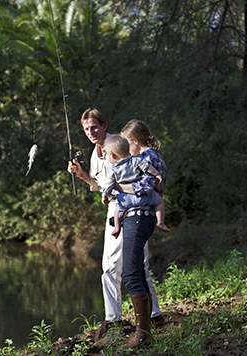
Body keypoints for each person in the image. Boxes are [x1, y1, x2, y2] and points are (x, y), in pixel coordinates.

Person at [66, 108, 165, 338]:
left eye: (94, 127)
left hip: (134, 206)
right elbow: (102, 184)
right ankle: (113, 318)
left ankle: (154, 315)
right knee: (109, 265)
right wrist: (82, 176)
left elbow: (133, 174)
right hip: (115, 208)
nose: (91, 132)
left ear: (104, 125)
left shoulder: (118, 144)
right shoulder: (93, 154)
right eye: (87, 129)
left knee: (140, 263)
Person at [118, 119, 169, 349]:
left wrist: (116, 188)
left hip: (139, 217)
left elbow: (144, 189)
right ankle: (146, 331)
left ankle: (141, 333)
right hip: (139, 217)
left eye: (127, 144)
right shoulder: (148, 159)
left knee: (129, 274)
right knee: (137, 270)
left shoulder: (148, 159)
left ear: (135, 141)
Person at [101, 134, 169, 238]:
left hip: (125, 200)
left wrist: (105, 195)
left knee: (116, 209)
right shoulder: (136, 160)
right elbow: (147, 167)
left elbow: (108, 185)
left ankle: (117, 228)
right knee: (159, 201)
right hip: (142, 196)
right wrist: (157, 174)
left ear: (113, 155)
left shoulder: (113, 170)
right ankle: (160, 222)